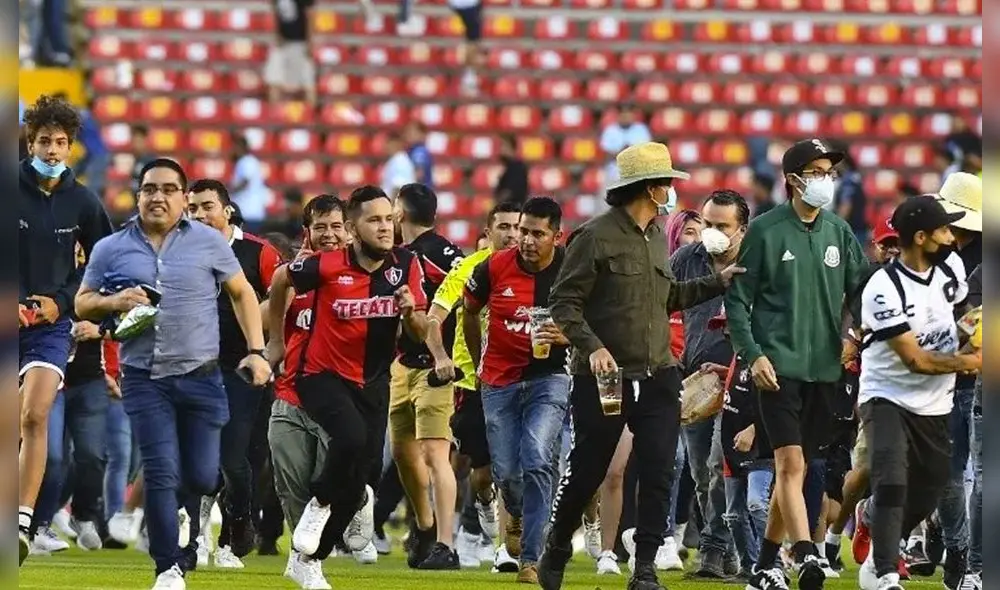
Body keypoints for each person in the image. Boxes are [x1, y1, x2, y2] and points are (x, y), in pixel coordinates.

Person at [540, 142, 743, 590]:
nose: (672, 190)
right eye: (667, 182)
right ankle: (556, 545)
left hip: (657, 373)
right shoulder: (594, 236)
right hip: (604, 377)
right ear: (651, 188)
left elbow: (667, 298)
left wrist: (716, 283)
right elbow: (563, 302)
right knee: (589, 468)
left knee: (659, 470)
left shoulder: (655, 235)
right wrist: (591, 347)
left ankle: (645, 566)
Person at [74, 158, 271, 590]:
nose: (157, 196)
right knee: (161, 471)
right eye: (149, 189)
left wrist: (257, 351)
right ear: (137, 194)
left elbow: (242, 293)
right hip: (144, 378)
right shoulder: (111, 247)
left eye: (168, 189)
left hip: (202, 375)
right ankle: (168, 567)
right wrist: (114, 302)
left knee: (202, 475)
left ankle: (182, 517)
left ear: (184, 197)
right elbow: (83, 303)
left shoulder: (209, 243)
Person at [725, 139, 867, 590]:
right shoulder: (765, 231)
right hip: (777, 369)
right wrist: (754, 356)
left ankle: (765, 563)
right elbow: (737, 302)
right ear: (793, 179)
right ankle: (805, 554)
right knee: (789, 462)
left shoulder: (839, 232)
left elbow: (861, 291)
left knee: (799, 466)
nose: (828, 179)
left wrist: (856, 334)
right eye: (819, 170)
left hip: (826, 370)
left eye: (830, 171)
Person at [268, 185, 429, 579]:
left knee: (363, 475)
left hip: (373, 382)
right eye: (373, 220)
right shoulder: (326, 265)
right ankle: (317, 505)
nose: (385, 227)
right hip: (320, 375)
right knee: (351, 440)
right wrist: (274, 340)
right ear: (354, 229)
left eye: (389, 219)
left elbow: (421, 332)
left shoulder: (406, 266)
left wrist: (409, 314)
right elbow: (279, 279)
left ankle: (311, 560)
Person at [856, 195, 980, 590]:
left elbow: (961, 320)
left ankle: (873, 523)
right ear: (922, 237)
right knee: (891, 479)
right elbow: (915, 360)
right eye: (945, 229)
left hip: (935, 401)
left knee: (929, 493)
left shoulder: (952, 269)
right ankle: (887, 572)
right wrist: (973, 363)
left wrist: (974, 331)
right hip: (887, 394)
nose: (952, 236)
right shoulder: (882, 287)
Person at [18, 94, 114, 565]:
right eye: (43, 141)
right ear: (28, 142)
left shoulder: (84, 201)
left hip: (49, 330)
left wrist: (60, 304)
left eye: (60, 142)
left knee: (35, 417)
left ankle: (21, 522)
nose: (52, 150)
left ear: (72, 146)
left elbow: (101, 265)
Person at [463, 197, 571, 584]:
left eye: (537, 234)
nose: (525, 240)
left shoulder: (571, 269)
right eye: (523, 230)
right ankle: (518, 511)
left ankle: (531, 558)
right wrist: (478, 363)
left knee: (538, 456)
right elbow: (469, 309)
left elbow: (595, 318)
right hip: (499, 380)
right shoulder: (493, 266)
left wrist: (568, 335)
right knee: (507, 472)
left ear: (556, 237)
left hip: (550, 378)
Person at [186, 179, 284, 566]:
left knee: (235, 461)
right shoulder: (178, 251)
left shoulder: (259, 252)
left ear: (227, 210)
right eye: (192, 208)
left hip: (244, 368)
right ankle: (193, 539)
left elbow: (283, 304)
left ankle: (235, 527)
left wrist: (268, 354)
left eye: (207, 206)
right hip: (192, 366)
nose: (199, 215)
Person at [428, 201, 520, 568]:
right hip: (473, 382)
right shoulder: (466, 269)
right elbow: (434, 317)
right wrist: (440, 357)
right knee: (481, 473)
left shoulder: (536, 270)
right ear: (488, 231)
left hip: (519, 378)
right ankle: (483, 506)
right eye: (505, 227)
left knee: (511, 465)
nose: (512, 234)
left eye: (518, 227)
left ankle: (505, 549)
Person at [266, 194, 350, 589]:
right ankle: (305, 560)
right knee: (292, 483)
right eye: (321, 227)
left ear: (349, 230)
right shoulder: (294, 274)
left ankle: (357, 502)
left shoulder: (362, 276)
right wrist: (276, 343)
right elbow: (270, 308)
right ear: (308, 232)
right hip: (290, 392)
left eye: (337, 226)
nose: (330, 234)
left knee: (329, 483)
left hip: (339, 398)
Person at [670, 190, 751, 579]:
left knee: (722, 465)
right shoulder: (687, 259)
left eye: (723, 226)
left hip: (740, 379)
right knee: (703, 473)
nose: (713, 232)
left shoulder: (758, 263)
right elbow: (660, 301)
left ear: (742, 230)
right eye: (708, 224)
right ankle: (729, 551)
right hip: (696, 381)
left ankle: (711, 551)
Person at [388, 183, 465, 569]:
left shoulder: (432, 256)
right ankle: (425, 524)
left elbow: (463, 299)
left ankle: (445, 545)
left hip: (438, 367)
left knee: (436, 454)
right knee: (403, 454)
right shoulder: (420, 253)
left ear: (400, 214)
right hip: (402, 365)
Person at [929, 171, 982, 588]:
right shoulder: (934, 254)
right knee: (948, 474)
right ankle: (956, 545)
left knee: (968, 474)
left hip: (969, 378)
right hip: (946, 378)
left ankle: (964, 555)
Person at [265, 0, 317, 105]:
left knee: (307, 82)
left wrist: (310, 42)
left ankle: (310, 114)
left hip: (300, 42)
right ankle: (274, 114)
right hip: (283, 43)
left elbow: (310, 15)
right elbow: (276, 13)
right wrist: (277, 34)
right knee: (274, 79)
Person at [599, 105, 652, 191]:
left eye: (628, 115)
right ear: (618, 116)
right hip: (614, 171)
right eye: (623, 115)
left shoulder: (641, 129)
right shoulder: (610, 130)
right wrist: (622, 153)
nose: (626, 118)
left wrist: (631, 153)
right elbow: (604, 155)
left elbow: (647, 152)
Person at [230, 135, 270, 233]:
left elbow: (244, 182)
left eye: (234, 147)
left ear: (241, 147)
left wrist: (225, 193)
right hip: (249, 213)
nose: (233, 150)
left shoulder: (247, 161)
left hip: (248, 212)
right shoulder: (247, 161)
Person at [494, 135, 528, 205]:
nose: (501, 150)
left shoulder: (517, 167)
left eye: (503, 146)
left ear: (511, 148)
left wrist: (498, 202)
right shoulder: (509, 167)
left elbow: (510, 192)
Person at [405, 121, 434, 189]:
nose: (409, 135)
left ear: (422, 135)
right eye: (408, 132)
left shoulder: (419, 151)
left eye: (413, 133)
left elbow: (419, 174)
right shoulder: (411, 150)